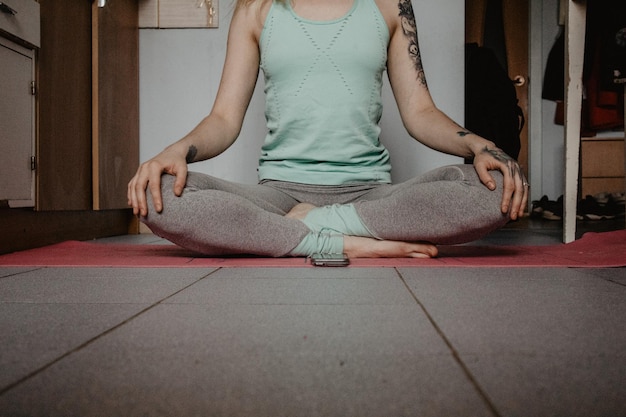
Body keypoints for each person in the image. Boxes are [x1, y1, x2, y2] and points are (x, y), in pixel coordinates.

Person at [127, 0, 529, 259]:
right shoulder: (256, 11)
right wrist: (176, 150)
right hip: (280, 195)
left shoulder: (391, 6)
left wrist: (478, 144)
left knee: (493, 188)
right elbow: (224, 120)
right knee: (156, 192)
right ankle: (332, 239)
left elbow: (420, 111)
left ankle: (315, 227)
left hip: (370, 194)